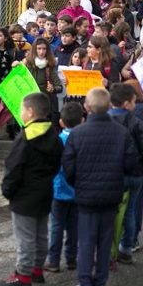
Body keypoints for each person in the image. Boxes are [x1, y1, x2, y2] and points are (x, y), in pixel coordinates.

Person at [62, 88, 136, 286]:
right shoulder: (121, 133)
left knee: (86, 240)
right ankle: (100, 282)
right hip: (112, 194)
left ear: (86, 107)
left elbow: (68, 165)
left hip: (85, 195)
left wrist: (77, 184)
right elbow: (131, 163)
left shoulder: (77, 134)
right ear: (110, 105)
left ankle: (85, 284)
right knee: (105, 239)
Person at [0, 93, 63, 286]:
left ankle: (23, 276)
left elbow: (14, 167)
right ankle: (37, 270)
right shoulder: (54, 135)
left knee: (25, 237)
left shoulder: (24, 138)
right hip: (45, 192)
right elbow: (57, 163)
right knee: (41, 234)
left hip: (24, 196)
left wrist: (7, 190)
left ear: (31, 112)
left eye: (22, 109)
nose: (21, 112)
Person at [108, 84, 143, 264]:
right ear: (127, 104)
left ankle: (109, 247)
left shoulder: (102, 121)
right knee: (131, 209)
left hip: (111, 174)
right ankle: (126, 247)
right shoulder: (137, 123)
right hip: (135, 173)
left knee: (110, 210)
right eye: (134, 102)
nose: (136, 105)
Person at [44, 102, 84, 273]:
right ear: (82, 121)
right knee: (74, 226)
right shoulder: (84, 139)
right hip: (77, 190)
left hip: (59, 189)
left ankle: (53, 260)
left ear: (61, 122)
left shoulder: (57, 140)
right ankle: (71, 258)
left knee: (56, 226)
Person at [16, 38, 63, 124]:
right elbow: (17, 82)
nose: (41, 52)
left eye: (44, 49)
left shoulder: (49, 66)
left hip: (43, 107)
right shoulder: (27, 64)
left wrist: (53, 89)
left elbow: (59, 87)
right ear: (34, 49)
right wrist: (15, 67)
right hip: (29, 105)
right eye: (39, 48)